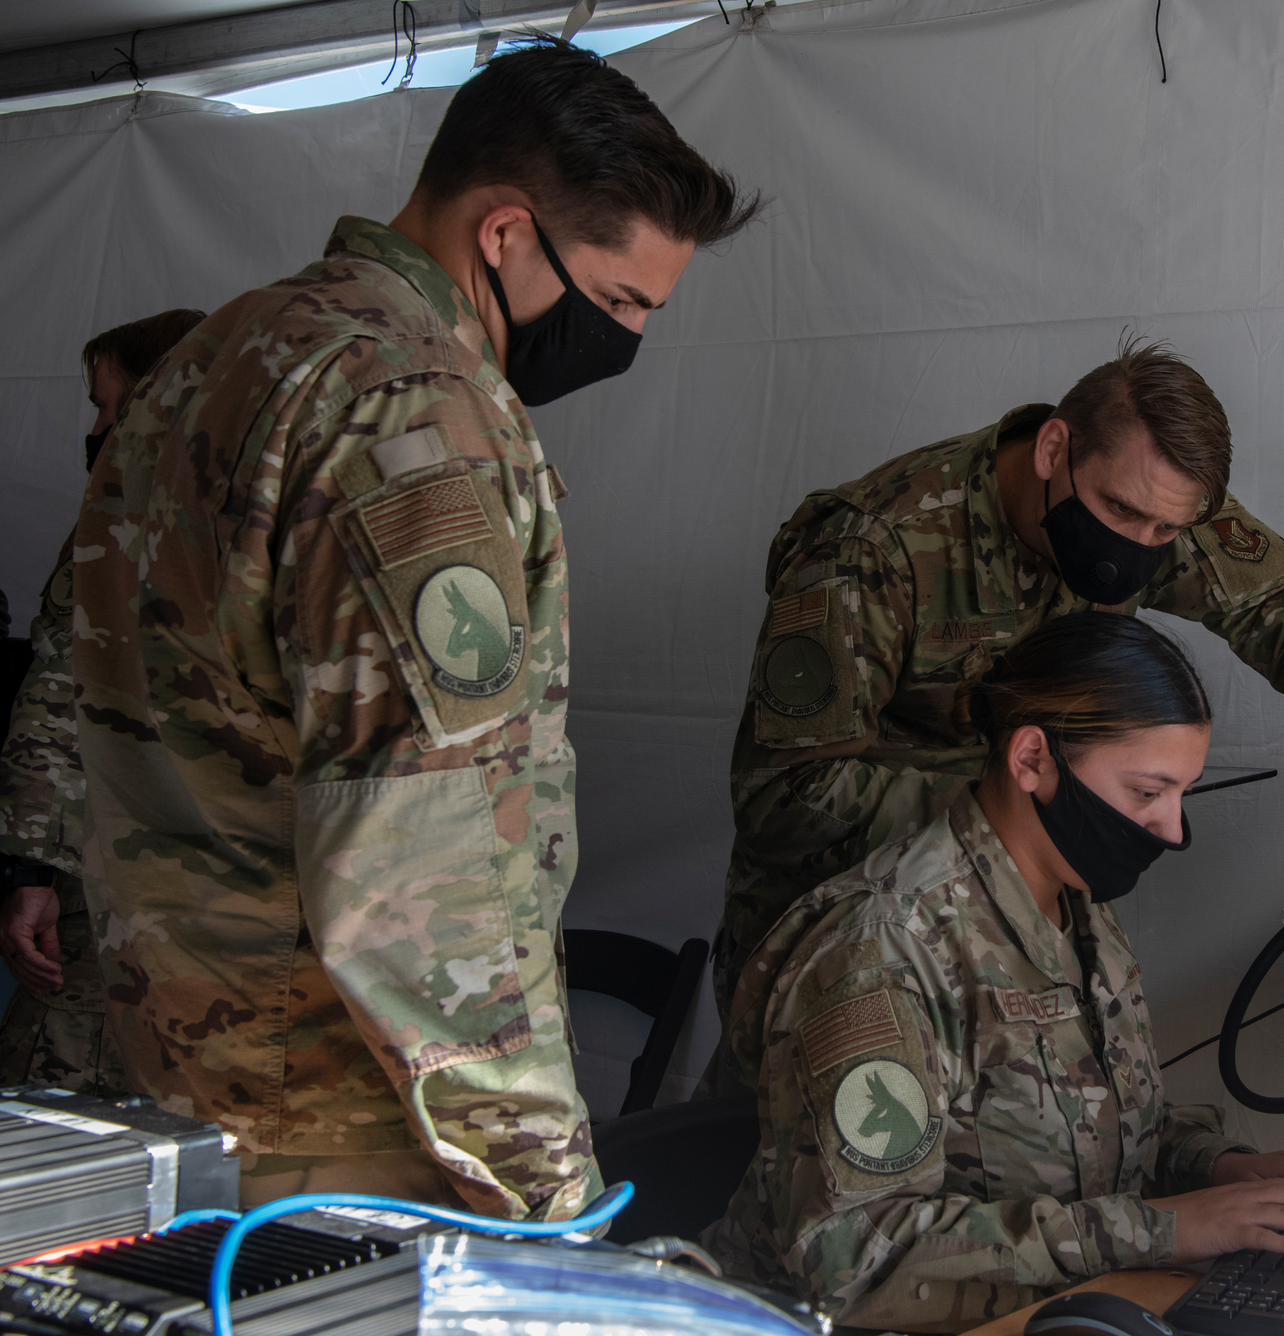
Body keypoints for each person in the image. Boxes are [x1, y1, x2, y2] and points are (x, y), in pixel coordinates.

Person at [70, 37, 758, 1219]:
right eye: (616, 302)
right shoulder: (407, 414)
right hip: (337, 1124)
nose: (629, 342)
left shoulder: (222, 351)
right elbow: (423, 868)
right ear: (503, 232)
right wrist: (548, 1192)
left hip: (173, 1054)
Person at [715, 340, 1284, 1030]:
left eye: (1166, 532)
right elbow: (785, 793)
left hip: (1016, 922)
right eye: (1120, 512)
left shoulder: (1158, 502)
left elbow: (1283, 607)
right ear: (1054, 449)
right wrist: (1019, 804)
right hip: (839, 938)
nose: (1140, 548)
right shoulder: (873, 549)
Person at [708, 613, 1284, 1331]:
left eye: (1182, 793)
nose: (1174, 830)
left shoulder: (1076, 908)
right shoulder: (884, 950)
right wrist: (1162, 1230)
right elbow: (854, 1258)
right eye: (1148, 792)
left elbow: (1090, 1136)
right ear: (1032, 760)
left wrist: (1217, 1170)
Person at [0, 307, 206, 1093]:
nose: (98, 425)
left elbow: (62, 699)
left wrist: (27, 870)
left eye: (105, 403)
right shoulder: (276, 515)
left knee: (54, 1104)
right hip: (234, 914)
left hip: (118, 891)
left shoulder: (125, 523)